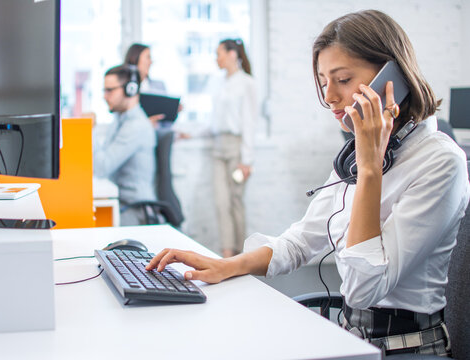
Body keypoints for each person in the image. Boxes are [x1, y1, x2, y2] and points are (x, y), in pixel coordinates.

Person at [146, 10, 469, 356]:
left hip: (408, 349)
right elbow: (302, 241)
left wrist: (370, 170)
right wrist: (229, 265)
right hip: (352, 339)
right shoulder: (360, 154)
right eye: (323, 80)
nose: (329, 96)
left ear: (394, 78)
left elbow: (362, 289)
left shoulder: (438, 162)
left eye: (342, 79)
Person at [92, 64, 156, 225]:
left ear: (131, 89)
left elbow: (101, 167)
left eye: (110, 90)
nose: (105, 96)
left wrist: (90, 129)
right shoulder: (119, 120)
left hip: (133, 210)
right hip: (119, 202)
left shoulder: (136, 126)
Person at [211, 39, 257, 258]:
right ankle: (227, 255)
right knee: (221, 203)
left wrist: (246, 160)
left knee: (236, 202)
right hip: (218, 147)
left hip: (237, 149)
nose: (216, 58)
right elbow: (215, 120)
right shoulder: (219, 83)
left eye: (219, 53)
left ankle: (241, 256)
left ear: (231, 54)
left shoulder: (246, 83)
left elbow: (249, 122)